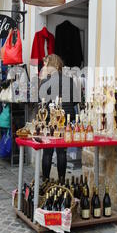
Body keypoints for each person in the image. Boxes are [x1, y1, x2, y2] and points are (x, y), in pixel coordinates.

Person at [39, 54, 78, 185]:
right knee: (62, 151)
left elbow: (42, 101)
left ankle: (45, 181)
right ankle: (61, 181)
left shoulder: (45, 81)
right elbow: (76, 100)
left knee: (47, 151)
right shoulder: (70, 80)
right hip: (65, 118)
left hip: (50, 118)